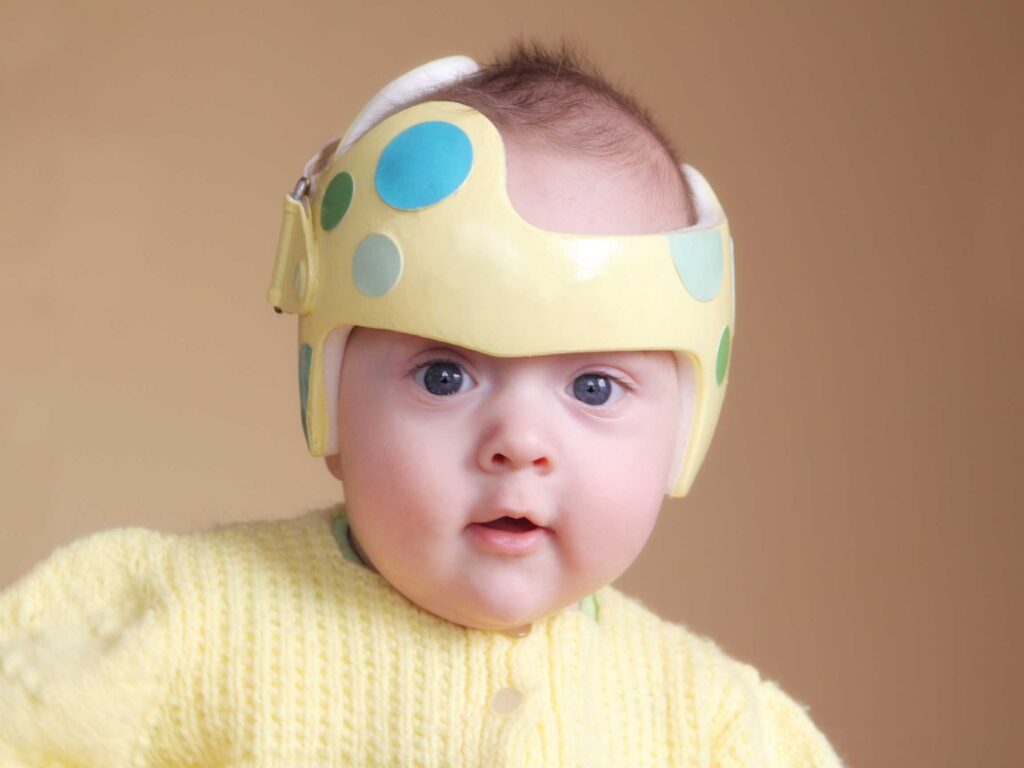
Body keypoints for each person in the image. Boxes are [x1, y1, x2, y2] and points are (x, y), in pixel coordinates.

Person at [0, 40, 844, 766]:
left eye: (593, 387)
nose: (519, 443)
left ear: (684, 430)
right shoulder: (177, 623)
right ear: (327, 397)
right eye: (445, 375)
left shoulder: (720, 732)